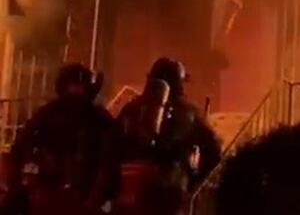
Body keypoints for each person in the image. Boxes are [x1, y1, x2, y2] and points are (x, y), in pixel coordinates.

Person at [2, 64, 117, 215]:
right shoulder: (48, 114)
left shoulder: (99, 118)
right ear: (64, 86)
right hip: (50, 190)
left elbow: (109, 160)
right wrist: (20, 183)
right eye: (73, 86)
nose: (76, 91)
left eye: (80, 87)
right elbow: (21, 147)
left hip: (88, 193)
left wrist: (97, 196)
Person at [114, 57, 220, 215]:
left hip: (130, 189)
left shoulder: (131, 108)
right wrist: (195, 179)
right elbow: (214, 151)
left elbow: (111, 144)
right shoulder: (190, 113)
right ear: (180, 83)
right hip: (171, 191)